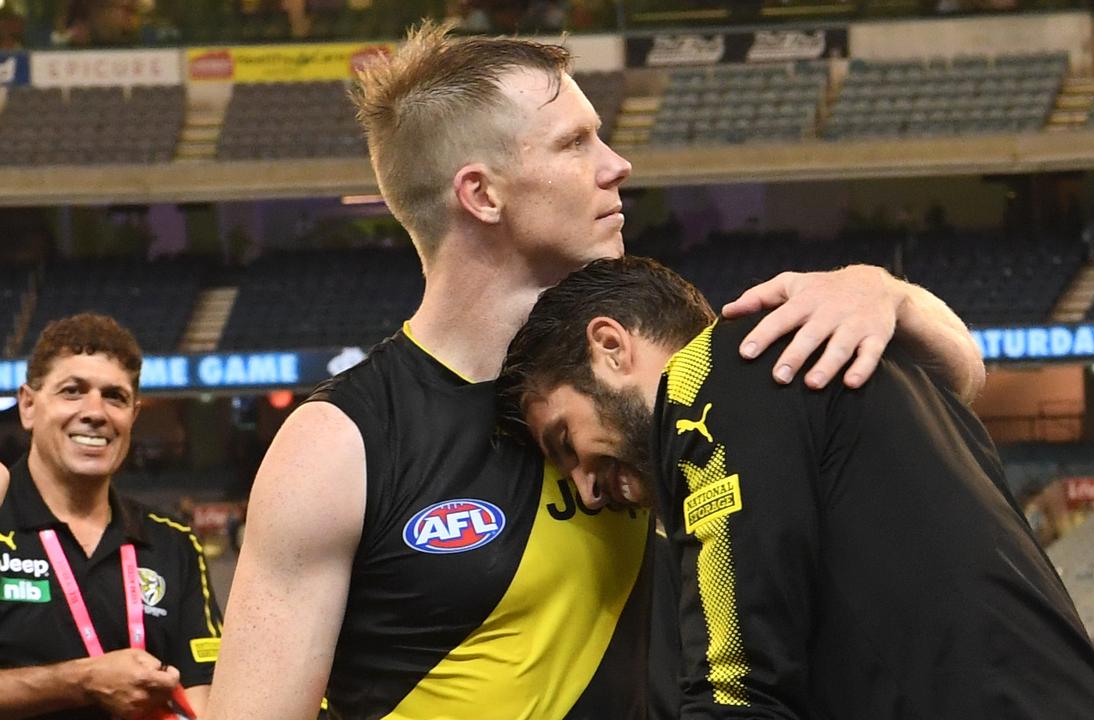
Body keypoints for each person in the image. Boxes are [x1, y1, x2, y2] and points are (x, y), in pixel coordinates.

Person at [206, 24, 985, 720]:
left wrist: (882, 293)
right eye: (574, 144)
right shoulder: (336, 446)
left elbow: (950, 392)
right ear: (481, 193)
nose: (616, 165)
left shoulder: (663, 366)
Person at [497, 256, 1094, 718]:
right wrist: (887, 289)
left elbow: (737, 694)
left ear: (611, 347)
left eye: (564, 441)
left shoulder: (707, 380)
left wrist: (881, 286)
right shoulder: (872, 372)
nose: (585, 488)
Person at [0, 313, 222, 720]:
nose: (95, 412)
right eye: (73, 391)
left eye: (115, 397)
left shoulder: (172, 542)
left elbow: (203, 692)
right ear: (28, 406)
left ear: (133, 417)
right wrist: (83, 680)